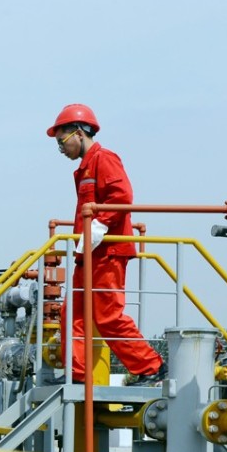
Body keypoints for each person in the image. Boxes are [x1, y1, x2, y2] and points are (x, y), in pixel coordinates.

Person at [47, 104, 165, 386]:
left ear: (78, 132)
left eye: (62, 141)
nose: (61, 148)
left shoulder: (104, 159)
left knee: (107, 316)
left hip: (108, 252)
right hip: (87, 253)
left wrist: (100, 224)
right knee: (72, 314)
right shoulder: (84, 168)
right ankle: (78, 376)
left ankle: (150, 367)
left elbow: (122, 195)